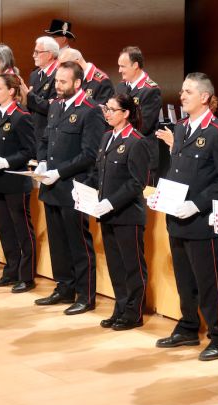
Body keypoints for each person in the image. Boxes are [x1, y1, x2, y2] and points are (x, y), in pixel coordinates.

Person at [149, 72, 218, 361]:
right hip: (176, 216)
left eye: (188, 92)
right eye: (183, 90)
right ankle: (188, 326)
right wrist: (163, 197)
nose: (182, 95)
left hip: (200, 220)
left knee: (209, 280)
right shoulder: (183, 127)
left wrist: (197, 205)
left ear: (204, 97)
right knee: (184, 277)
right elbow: (176, 170)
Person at [34, 61, 108, 314]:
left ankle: (85, 295)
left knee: (78, 242)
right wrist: (43, 162)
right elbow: (45, 139)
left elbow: (90, 154)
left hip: (74, 186)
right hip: (51, 185)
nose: (58, 85)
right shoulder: (55, 106)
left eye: (63, 81)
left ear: (78, 83)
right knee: (57, 241)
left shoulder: (90, 111)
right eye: (56, 81)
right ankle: (63, 287)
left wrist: (59, 171)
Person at [78, 93, 149, 330]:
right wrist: (83, 189)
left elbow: (136, 182)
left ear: (126, 113)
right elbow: (99, 173)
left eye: (111, 109)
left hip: (127, 214)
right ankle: (120, 307)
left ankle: (134, 313)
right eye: (105, 109)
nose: (106, 113)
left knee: (132, 266)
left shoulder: (136, 141)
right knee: (116, 266)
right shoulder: (107, 137)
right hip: (106, 214)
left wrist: (110, 202)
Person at [0, 74, 38, 293]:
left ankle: (27, 275)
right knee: (5, 228)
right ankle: (11, 270)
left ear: (12, 91)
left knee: (22, 229)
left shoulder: (21, 116)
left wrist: (6, 161)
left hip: (14, 180)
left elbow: (28, 150)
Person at [116, 46, 163, 185]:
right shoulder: (121, 87)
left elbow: (143, 126)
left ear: (135, 65)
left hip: (142, 156)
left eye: (122, 66)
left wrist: (118, 120)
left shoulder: (151, 90)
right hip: (121, 152)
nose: (119, 70)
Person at [23, 36, 59, 158]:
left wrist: (28, 96)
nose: (34, 55)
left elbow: (52, 108)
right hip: (32, 133)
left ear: (49, 55)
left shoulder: (59, 75)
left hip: (47, 135)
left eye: (37, 52)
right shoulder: (34, 75)